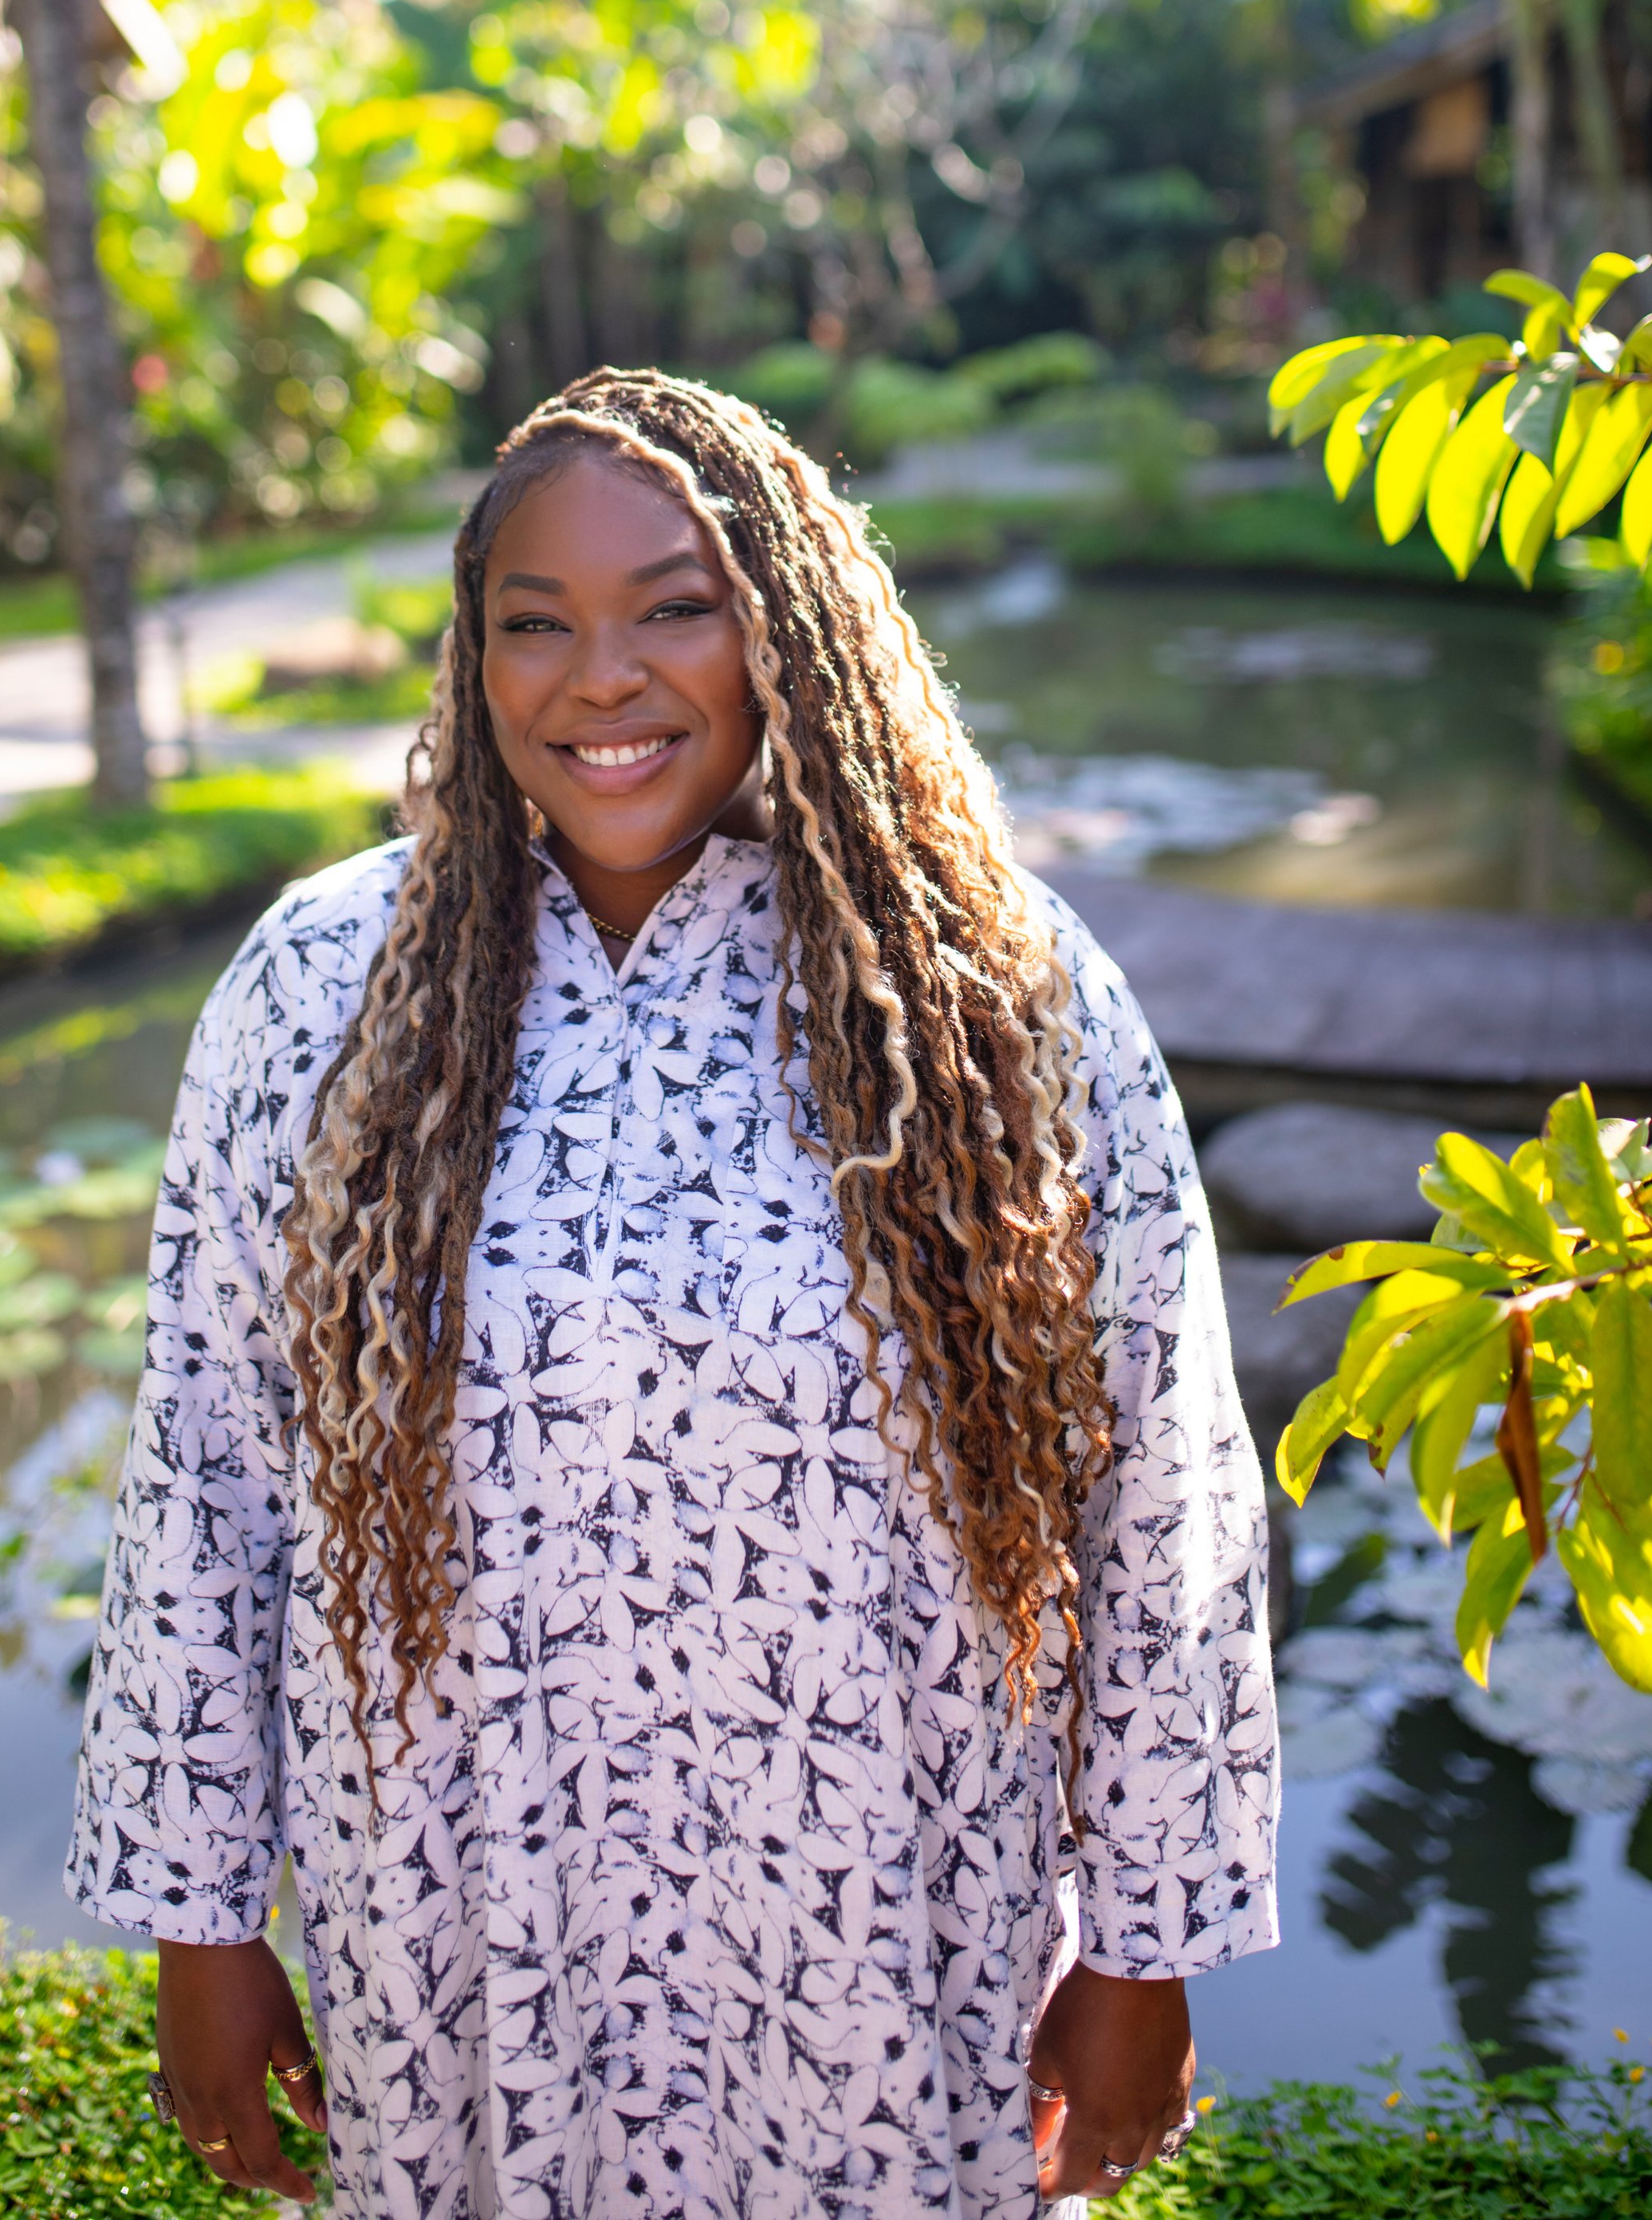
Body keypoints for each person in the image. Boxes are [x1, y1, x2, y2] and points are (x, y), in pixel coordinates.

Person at [69, 368, 1277, 2218]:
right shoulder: (317, 987)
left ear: (786, 629)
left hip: (881, 1920)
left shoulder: (998, 996)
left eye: (672, 609)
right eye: (533, 623)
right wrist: (201, 1922)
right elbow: (203, 1474)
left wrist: (1141, 1944)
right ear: (472, 660)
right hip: (457, 1915)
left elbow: (1163, 1494)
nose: (599, 679)